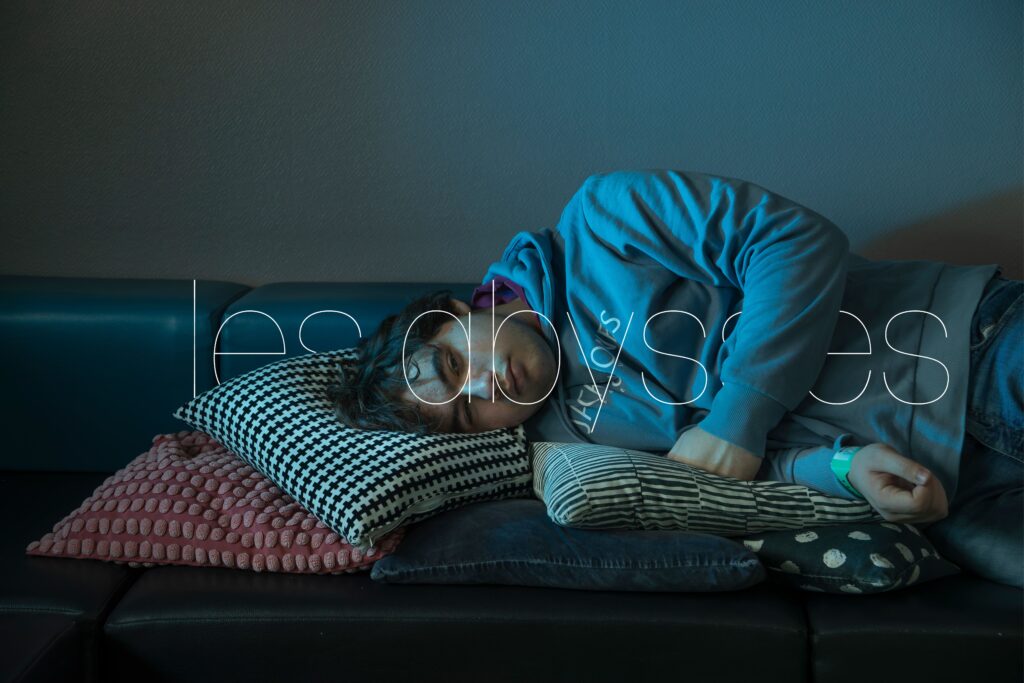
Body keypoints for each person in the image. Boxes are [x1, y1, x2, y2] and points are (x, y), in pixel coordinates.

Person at [329, 169, 1022, 588]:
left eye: (453, 362)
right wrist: (843, 467)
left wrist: (734, 417)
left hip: (978, 349)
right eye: (464, 414)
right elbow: (753, 469)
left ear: (466, 307)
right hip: (950, 493)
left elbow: (795, 241)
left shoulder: (602, 220)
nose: (482, 388)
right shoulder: (567, 446)